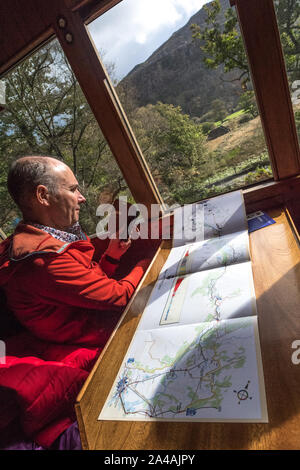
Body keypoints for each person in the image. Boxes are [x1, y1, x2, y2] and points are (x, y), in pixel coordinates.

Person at [0, 155, 150, 347]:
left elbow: (88, 284)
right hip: (88, 335)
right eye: (72, 189)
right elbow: (120, 297)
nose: (82, 197)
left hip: (92, 317)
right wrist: (147, 262)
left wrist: (112, 257)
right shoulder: (44, 260)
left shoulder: (53, 236)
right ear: (43, 196)